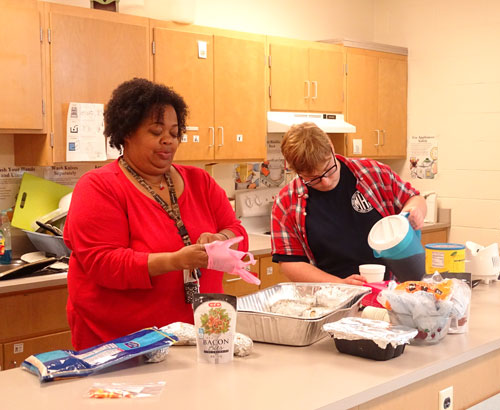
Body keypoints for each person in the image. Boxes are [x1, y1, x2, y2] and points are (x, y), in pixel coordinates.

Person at [64, 78, 248, 350]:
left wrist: (219, 238)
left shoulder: (201, 181)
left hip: (198, 337)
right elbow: (104, 263)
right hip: (122, 345)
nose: (168, 141)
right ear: (127, 132)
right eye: (156, 131)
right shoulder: (99, 187)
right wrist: (176, 261)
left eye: (174, 133)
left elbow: (238, 235)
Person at [270, 122, 426, 286]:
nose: (325, 181)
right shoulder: (286, 202)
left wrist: (414, 211)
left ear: (331, 147)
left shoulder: (373, 172)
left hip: (390, 289)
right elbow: (290, 263)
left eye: (329, 168)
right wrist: (340, 284)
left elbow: (414, 198)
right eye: (312, 179)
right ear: (295, 171)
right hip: (331, 296)